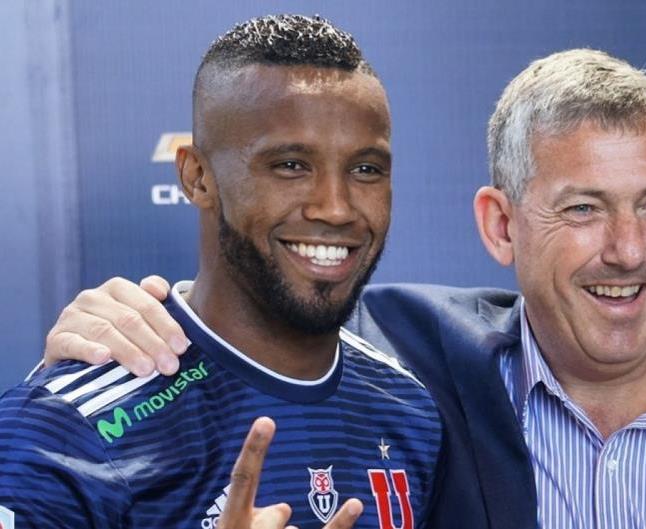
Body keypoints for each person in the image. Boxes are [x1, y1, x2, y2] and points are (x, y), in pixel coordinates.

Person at [39, 48, 646, 529]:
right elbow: (257, 316)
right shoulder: (401, 364)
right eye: (584, 208)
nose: (628, 249)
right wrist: (122, 329)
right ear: (500, 225)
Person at [0, 15, 444, 529]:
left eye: (366, 169)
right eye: (291, 165)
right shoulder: (64, 426)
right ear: (197, 177)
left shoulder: (410, 409)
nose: (336, 208)